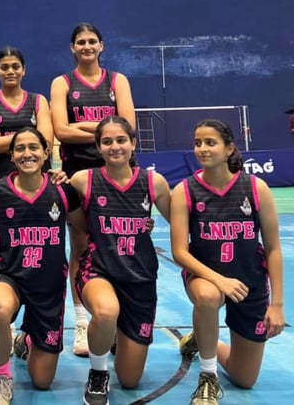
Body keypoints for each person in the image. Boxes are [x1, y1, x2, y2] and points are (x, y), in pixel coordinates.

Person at [171, 119, 285, 405]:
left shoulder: (256, 188)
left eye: (210, 143)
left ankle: (201, 339)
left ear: (229, 148)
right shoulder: (185, 190)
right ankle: (208, 377)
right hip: (204, 278)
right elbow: (180, 253)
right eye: (198, 143)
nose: (202, 149)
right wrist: (219, 280)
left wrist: (277, 305)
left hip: (250, 282)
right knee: (209, 297)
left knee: (245, 379)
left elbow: (272, 249)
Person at [67, 116, 171, 405]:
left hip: (140, 277)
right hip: (98, 269)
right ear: (98, 147)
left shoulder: (153, 183)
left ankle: (112, 337)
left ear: (133, 143)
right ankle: (98, 373)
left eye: (121, 140)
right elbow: (57, 206)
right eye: (107, 141)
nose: (115, 146)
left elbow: (182, 220)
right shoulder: (83, 180)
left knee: (129, 379)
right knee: (106, 311)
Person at [49, 22, 136, 357]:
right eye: (81, 42)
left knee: (118, 245)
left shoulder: (117, 81)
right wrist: (106, 131)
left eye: (92, 41)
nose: (87, 46)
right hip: (78, 173)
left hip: (117, 173)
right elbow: (61, 131)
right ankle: (83, 323)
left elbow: (129, 128)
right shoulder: (62, 83)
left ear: (102, 45)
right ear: (73, 48)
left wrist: (84, 127)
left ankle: (115, 318)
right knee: (81, 247)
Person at [0, 127, 80, 405]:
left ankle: (27, 341)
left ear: (46, 153)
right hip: (8, 274)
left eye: (33, 147)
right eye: (20, 148)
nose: (27, 153)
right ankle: (1, 379)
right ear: (11, 155)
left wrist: (142, 225)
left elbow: (87, 227)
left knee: (42, 382)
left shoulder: (63, 191)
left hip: (48, 286)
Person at [0, 47, 53, 184]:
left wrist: (0, 146)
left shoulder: (39, 101)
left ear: (24, 70)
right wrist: (28, 141)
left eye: (16, 67)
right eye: (4, 67)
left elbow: (46, 144)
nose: (10, 72)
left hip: (37, 181)